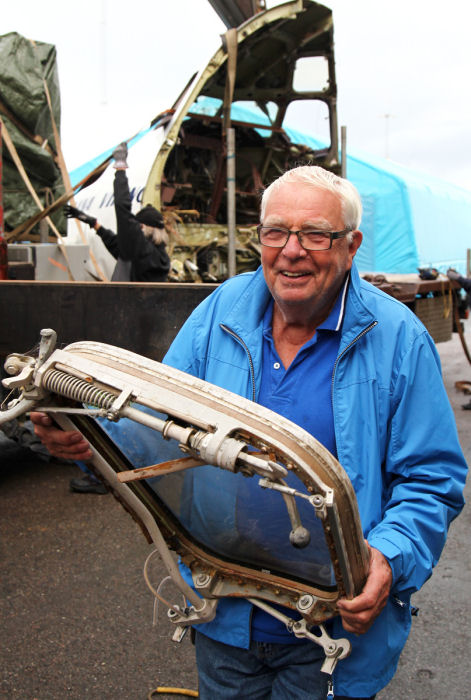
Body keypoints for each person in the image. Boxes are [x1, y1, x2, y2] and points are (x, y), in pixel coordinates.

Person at [32, 165, 467, 699]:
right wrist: (86, 441)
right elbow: (158, 428)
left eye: (315, 234)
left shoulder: (398, 339)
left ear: (351, 246)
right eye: (276, 231)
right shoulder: (221, 312)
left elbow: (431, 479)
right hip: (227, 613)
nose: (291, 250)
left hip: (332, 630)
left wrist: (388, 556)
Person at [64, 142, 170, 283]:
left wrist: (120, 167)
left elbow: (122, 208)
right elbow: (116, 244)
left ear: (144, 227)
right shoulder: (154, 256)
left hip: (130, 303)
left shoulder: (144, 251)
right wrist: (93, 223)